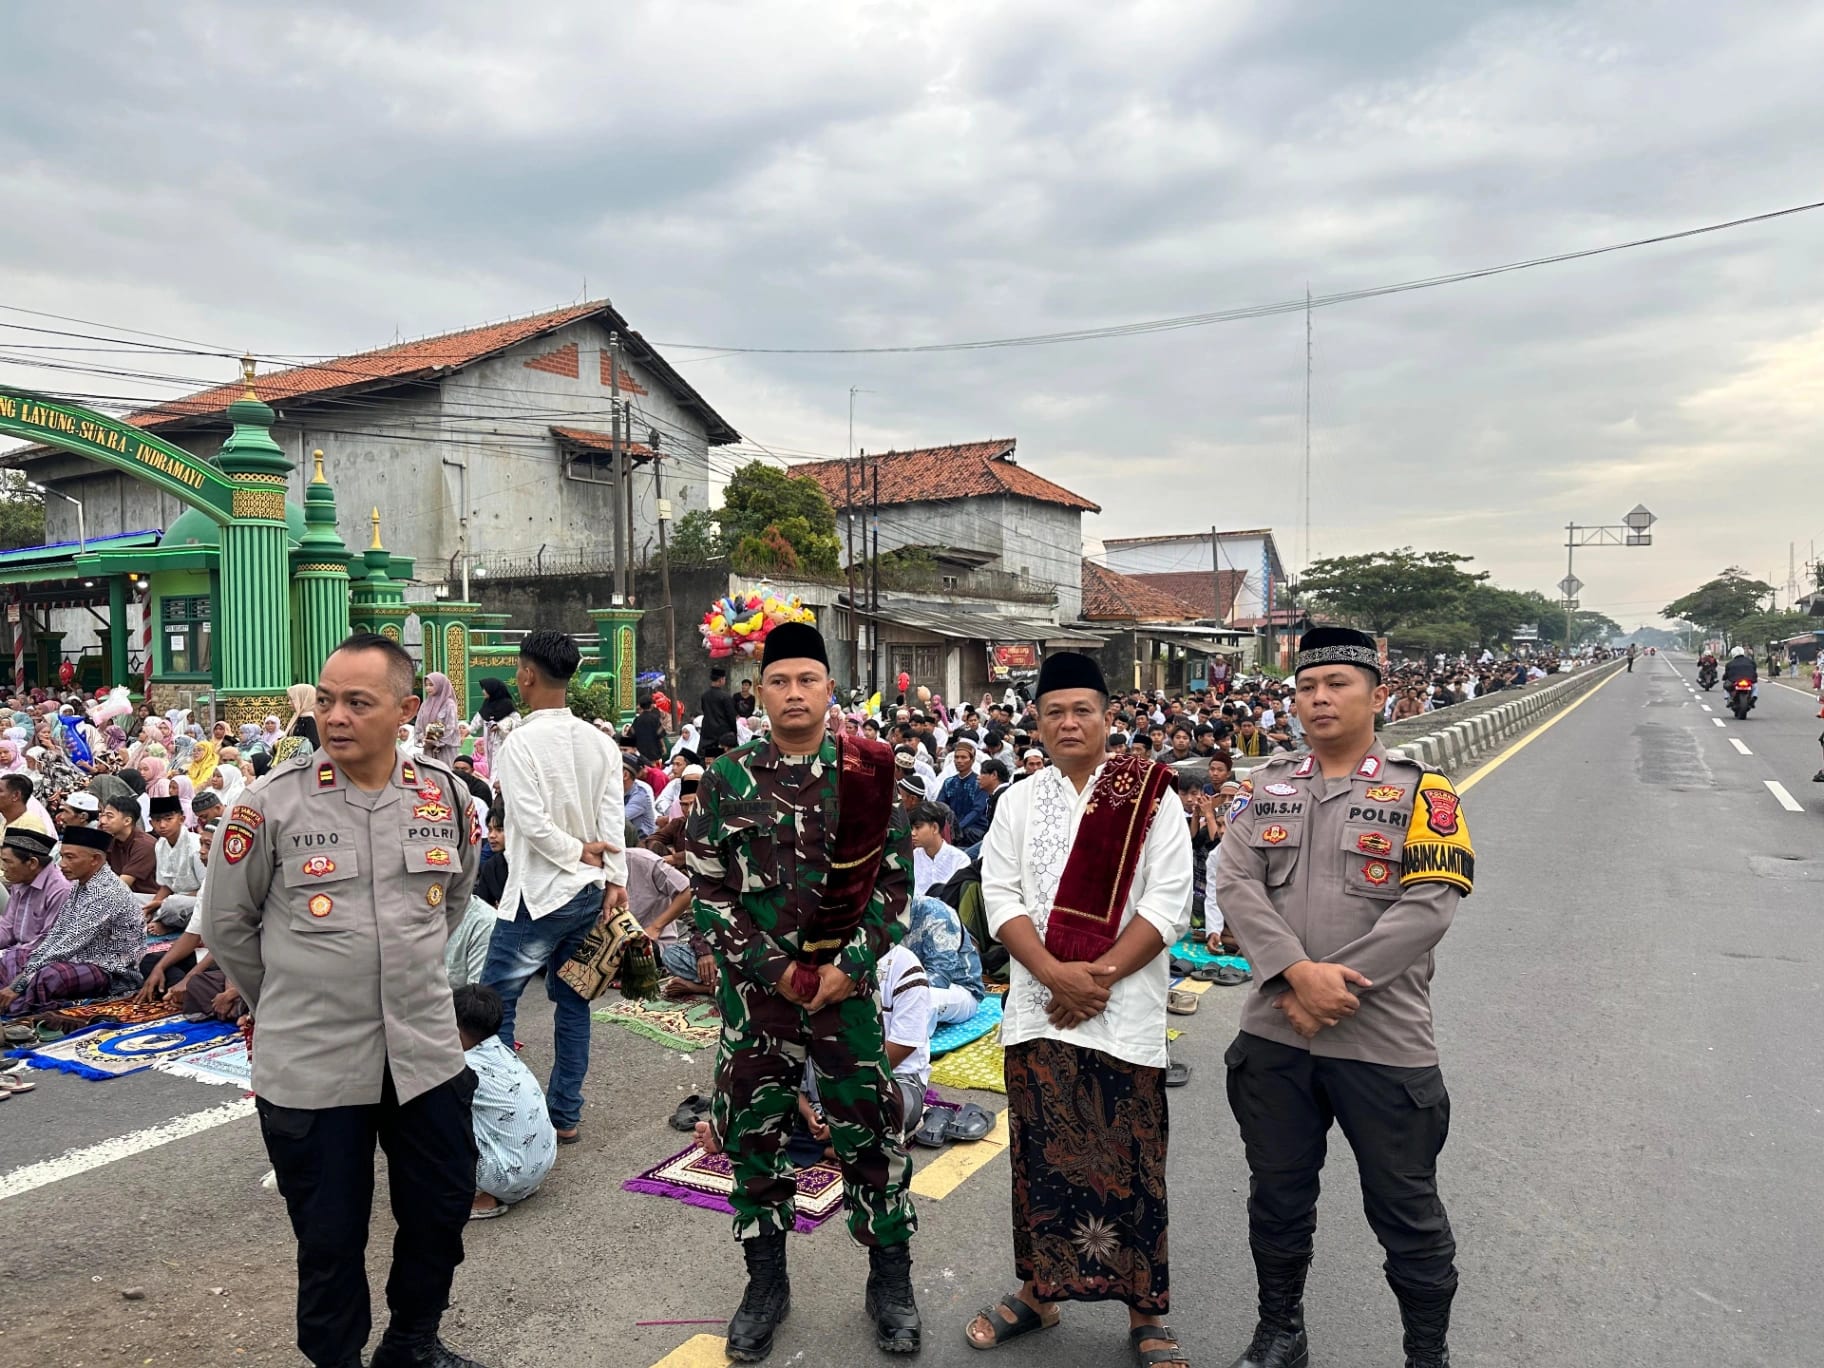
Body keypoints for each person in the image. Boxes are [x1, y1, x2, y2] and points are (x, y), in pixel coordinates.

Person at [201, 632, 486, 1368]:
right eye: (326, 700)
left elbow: (450, 903)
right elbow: (230, 929)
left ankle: (412, 1343)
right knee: (329, 1239)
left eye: (359, 702)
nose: (336, 716)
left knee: (442, 1209)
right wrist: (296, 1001)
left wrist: (398, 979)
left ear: (405, 710)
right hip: (315, 1062)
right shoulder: (269, 805)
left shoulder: (446, 794)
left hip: (424, 1052)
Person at [1216, 626, 1472, 1368]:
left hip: (1381, 1039)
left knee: (1407, 1210)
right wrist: (1296, 975)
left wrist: (1330, 987)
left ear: (1377, 695)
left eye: (1338, 683)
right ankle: (1280, 1332)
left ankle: (1427, 1354)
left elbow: (1429, 906)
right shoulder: (1268, 788)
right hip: (1275, 1033)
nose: (1319, 698)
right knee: (1278, 1197)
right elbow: (1234, 883)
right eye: (1306, 686)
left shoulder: (1425, 791)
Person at [685, 621, 920, 1360]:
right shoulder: (725, 780)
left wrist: (849, 967)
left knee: (873, 1137)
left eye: (807, 680)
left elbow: (894, 888)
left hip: (845, 1000)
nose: (794, 693)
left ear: (829, 689)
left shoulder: (870, 775)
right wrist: (772, 968)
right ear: (758, 692)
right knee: (753, 1140)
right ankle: (765, 1284)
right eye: (779, 681)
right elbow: (707, 890)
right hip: (758, 1005)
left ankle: (890, 1282)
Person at [967, 651, 1191, 1368]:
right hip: (1039, 1010)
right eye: (1055, 710)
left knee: (1133, 1161)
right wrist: (1054, 975)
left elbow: (1168, 902)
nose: (1069, 722)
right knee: (1039, 1158)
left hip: (1123, 1012)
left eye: (1082, 710)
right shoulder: (1017, 801)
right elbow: (999, 898)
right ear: (1037, 720)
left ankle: (1144, 1311)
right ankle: (1040, 1292)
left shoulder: (1152, 796)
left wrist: (1094, 977)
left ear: (1107, 716)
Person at [479, 629, 628, 1148]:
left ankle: (508, 1113)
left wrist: (577, 853)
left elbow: (532, 824)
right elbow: (614, 824)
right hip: (588, 893)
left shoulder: (519, 742)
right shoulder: (601, 742)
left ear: (526, 674)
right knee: (573, 1002)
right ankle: (563, 1114)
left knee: (493, 1006)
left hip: (539, 894)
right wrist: (615, 880)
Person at [0, 824, 144, 1015]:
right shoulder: (79, 885)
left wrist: (18, 984)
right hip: (78, 957)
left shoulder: (107, 893)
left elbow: (66, 945)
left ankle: (18, 1009)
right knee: (13, 957)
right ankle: (12, 1000)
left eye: (70, 857)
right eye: (62, 856)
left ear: (95, 860)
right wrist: (27, 969)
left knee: (49, 976)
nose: (61, 864)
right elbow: (58, 934)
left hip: (110, 970)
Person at [454, 984, 557, 1220]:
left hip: (508, 1179)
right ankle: (519, 1187)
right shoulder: (502, 1051)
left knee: (431, 1122)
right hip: (541, 1164)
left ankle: (489, 1196)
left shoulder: (462, 1068)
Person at [0, 826, 72, 983]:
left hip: (39, 961)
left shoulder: (59, 889)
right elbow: (7, 927)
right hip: (15, 954)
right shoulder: (20, 881)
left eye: (7, 861)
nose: (3, 867)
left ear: (32, 863)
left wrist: (7, 955)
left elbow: (48, 943)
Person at [143, 793, 206, 933]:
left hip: (196, 900)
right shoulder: (160, 845)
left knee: (173, 905)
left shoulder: (196, 844)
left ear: (181, 819)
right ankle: (157, 918)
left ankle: (168, 925)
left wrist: (163, 904)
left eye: (168, 819)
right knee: (134, 899)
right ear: (150, 823)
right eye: (157, 820)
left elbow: (207, 890)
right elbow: (166, 886)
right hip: (173, 899)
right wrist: (151, 908)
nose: (162, 825)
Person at [99, 793, 159, 892]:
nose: (103, 821)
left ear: (127, 821)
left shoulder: (144, 845)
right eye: (102, 815)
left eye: (109, 816)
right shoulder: (113, 840)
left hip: (144, 897)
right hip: (124, 894)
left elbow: (122, 884)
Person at [910, 801, 968, 901]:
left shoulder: (960, 860)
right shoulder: (912, 858)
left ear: (935, 828)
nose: (913, 833)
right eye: (912, 828)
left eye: (918, 827)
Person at [938, 737, 991, 846]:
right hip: (952, 830)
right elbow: (939, 806)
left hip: (974, 830)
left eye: (963, 757)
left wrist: (957, 828)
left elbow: (977, 811)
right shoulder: (949, 782)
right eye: (956, 757)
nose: (959, 761)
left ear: (972, 760)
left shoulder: (980, 783)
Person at [417, 672, 461, 768]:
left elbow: (451, 727)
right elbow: (419, 725)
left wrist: (436, 741)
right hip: (428, 748)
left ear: (440, 686)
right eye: (426, 685)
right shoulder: (425, 704)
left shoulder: (449, 704)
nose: (428, 688)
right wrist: (424, 738)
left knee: (445, 773)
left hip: (445, 749)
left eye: (431, 685)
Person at [700, 665, 741, 757]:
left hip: (707, 733)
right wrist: (734, 732)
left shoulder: (704, 695)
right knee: (721, 759)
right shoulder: (725, 697)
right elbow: (731, 716)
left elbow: (704, 710)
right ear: (721, 680)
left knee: (709, 758)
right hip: (723, 733)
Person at [630, 690, 669, 766]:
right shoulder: (655, 719)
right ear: (651, 705)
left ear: (640, 706)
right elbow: (659, 734)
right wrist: (663, 747)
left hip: (640, 751)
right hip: (654, 751)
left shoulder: (637, 719)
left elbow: (631, 734)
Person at [1723, 645, 1758, 709]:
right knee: (1755, 686)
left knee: (1725, 686)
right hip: (1749, 679)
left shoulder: (1730, 663)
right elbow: (1754, 670)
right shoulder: (1751, 661)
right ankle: (1754, 696)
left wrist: (1724, 678)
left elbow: (1726, 674)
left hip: (1734, 680)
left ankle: (1728, 699)